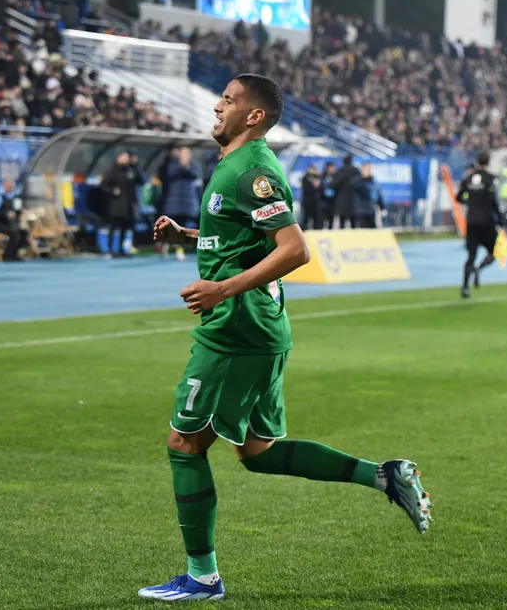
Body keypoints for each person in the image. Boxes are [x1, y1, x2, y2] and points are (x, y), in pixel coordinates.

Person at [141, 74, 432, 602]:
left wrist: (222, 289)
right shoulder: (233, 164)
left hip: (237, 330)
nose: (217, 106)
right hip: (257, 328)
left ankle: (202, 578)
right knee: (257, 451)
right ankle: (386, 477)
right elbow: (243, 239)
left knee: (184, 444)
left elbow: (295, 249)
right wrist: (187, 235)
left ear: (254, 116)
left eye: (229, 100)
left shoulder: (252, 170)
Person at [456, 152, 502, 299]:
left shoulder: (468, 178)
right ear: (488, 162)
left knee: (471, 255)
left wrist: (470, 202)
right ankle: (479, 268)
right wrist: (500, 220)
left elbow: (458, 197)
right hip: (486, 220)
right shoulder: (491, 179)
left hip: (471, 221)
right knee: (494, 252)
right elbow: (493, 201)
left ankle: (465, 287)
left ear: (477, 162)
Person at [160, 146, 201, 261]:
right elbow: (168, 174)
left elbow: (195, 175)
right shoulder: (172, 165)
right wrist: (180, 166)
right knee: (171, 225)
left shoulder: (194, 165)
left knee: (185, 227)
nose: (185, 156)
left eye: (187, 154)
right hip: (173, 202)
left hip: (188, 203)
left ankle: (179, 248)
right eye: (183, 153)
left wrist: (186, 166)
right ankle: (166, 243)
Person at [99, 151, 142, 258]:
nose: (125, 160)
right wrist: (113, 191)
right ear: (118, 158)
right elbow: (103, 186)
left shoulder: (131, 171)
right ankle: (110, 250)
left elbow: (141, 181)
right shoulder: (112, 171)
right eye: (123, 157)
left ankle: (122, 250)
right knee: (114, 227)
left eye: (127, 158)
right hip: (115, 204)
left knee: (125, 228)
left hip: (128, 205)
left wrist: (136, 166)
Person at [0, 179, 29, 261]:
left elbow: (14, 211)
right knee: (14, 233)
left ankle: (14, 254)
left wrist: (19, 212)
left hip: (10, 224)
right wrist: (5, 213)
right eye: (9, 186)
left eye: (12, 186)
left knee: (24, 232)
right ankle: (7, 255)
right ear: (4, 186)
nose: (11, 188)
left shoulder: (14, 197)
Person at [351, 162, 384, 229]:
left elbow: (378, 194)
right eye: (367, 169)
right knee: (364, 230)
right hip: (361, 211)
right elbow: (358, 187)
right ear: (362, 170)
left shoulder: (372, 181)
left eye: (370, 169)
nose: (368, 171)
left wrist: (382, 207)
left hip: (371, 210)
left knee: (373, 230)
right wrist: (365, 178)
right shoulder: (357, 180)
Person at [330, 154, 358, 228]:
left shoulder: (341, 171)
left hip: (342, 201)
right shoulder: (356, 171)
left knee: (342, 223)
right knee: (353, 224)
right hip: (354, 201)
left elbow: (334, 185)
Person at [300, 163, 323, 229]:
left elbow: (321, 189)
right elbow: (306, 189)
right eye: (311, 169)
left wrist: (319, 178)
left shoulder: (317, 177)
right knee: (306, 220)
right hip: (307, 202)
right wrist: (314, 186)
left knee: (316, 220)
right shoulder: (305, 177)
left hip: (315, 202)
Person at [320, 161, 337, 228]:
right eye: (331, 168)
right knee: (321, 221)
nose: (333, 169)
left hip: (332, 203)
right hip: (323, 202)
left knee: (331, 221)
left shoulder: (336, 177)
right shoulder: (322, 176)